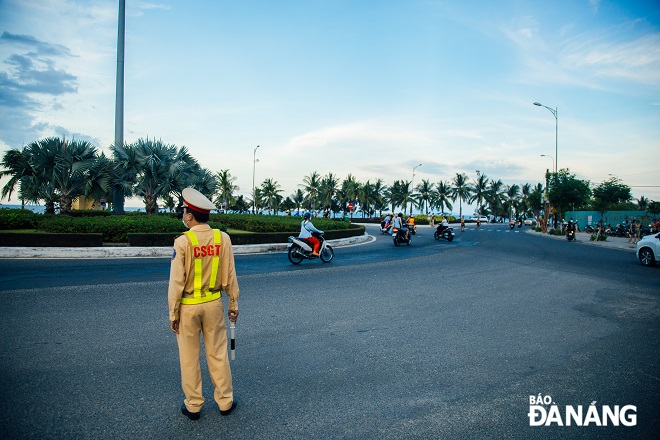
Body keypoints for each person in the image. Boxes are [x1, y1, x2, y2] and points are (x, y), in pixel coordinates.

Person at [168, 188, 239, 420]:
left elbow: (176, 282)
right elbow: (231, 275)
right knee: (218, 353)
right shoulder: (223, 238)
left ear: (190, 216)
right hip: (214, 304)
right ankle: (225, 402)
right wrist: (233, 304)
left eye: (184, 211)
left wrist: (173, 313)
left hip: (188, 307)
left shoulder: (182, 242)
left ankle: (194, 405)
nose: (183, 214)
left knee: (189, 357)